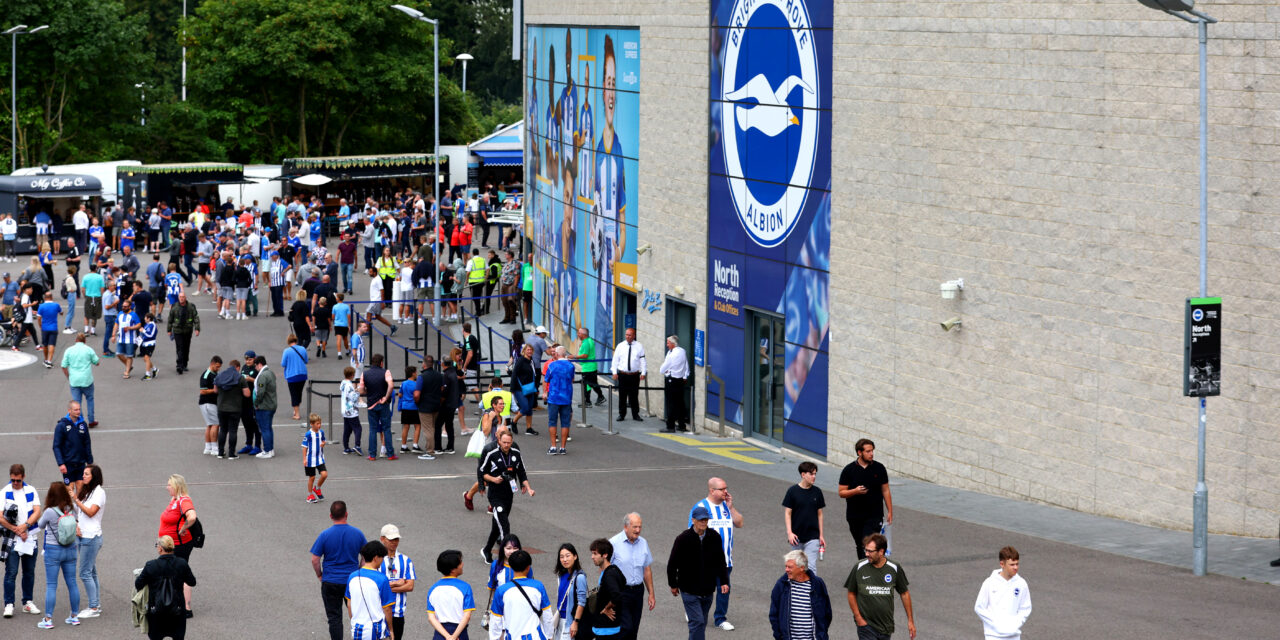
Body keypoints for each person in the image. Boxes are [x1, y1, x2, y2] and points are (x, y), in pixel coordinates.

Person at [667, 505, 730, 640]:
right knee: (698, 622)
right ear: (693, 520)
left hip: (707, 591)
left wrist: (724, 581)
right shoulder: (682, 539)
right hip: (689, 591)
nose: (704, 522)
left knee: (701, 624)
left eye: (706, 520)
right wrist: (673, 584)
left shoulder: (714, 537)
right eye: (701, 520)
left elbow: (720, 561)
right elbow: (672, 564)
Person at [688, 476, 742, 630]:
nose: (726, 491)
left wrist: (731, 507)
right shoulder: (700, 507)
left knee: (724, 589)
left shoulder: (726, 506)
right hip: (705, 561)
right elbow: (691, 533)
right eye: (722, 489)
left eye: (726, 488)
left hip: (725, 560)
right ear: (712, 491)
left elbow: (740, 523)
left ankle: (720, 618)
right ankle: (693, 611)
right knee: (701, 589)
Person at [311, 501, 367, 640]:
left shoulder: (325, 535)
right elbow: (366, 556)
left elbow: (315, 559)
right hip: (352, 580)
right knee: (357, 614)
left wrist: (320, 575)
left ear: (331, 516)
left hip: (330, 580)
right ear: (346, 514)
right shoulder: (357, 534)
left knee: (334, 618)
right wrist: (359, 570)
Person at [479, 431, 534, 564]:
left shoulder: (515, 452)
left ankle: (486, 550)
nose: (506, 445)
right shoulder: (491, 453)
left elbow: (521, 471)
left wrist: (528, 487)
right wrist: (493, 479)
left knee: (496, 526)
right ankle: (507, 558)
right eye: (504, 442)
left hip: (508, 493)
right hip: (495, 494)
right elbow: (482, 472)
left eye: (509, 442)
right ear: (499, 441)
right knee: (504, 525)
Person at [845, 533, 914, 640]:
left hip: (886, 627)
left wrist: (910, 621)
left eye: (870, 551)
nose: (867, 554)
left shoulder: (894, 568)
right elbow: (851, 593)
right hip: (866, 626)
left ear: (881, 552)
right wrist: (858, 617)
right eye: (866, 550)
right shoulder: (859, 567)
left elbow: (904, 593)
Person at [34, 481, 80, 629]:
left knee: (52, 585)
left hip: (53, 550)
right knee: (72, 582)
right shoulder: (72, 509)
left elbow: (40, 525)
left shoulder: (49, 511)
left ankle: (48, 619)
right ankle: (74, 616)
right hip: (71, 549)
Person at [838, 439, 893, 559]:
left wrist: (890, 511)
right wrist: (855, 491)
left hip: (874, 515)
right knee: (860, 544)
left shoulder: (879, 468)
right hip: (855, 516)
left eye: (872, 451)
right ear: (859, 452)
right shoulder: (849, 470)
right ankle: (863, 570)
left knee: (868, 543)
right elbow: (841, 492)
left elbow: (886, 490)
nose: (871, 454)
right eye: (868, 451)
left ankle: (871, 569)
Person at [135, 535, 197, 640]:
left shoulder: (151, 565)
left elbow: (138, 584)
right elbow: (192, 582)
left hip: (156, 609)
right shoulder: (182, 563)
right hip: (177, 609)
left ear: (160, 548)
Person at [2, 464, 41, 619]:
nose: (15, 483)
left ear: (23, 477)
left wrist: (25, 526)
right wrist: (16, 529)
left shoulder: (31, 490)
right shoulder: (5, 492)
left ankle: (27, 602)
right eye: (12, 480)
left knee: (29, 573)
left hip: (29, 537)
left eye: (18, 480)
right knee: (11, 573)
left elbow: (37, 511)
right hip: (13, 539)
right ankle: (9, 604)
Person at [488, 549, 554, 640]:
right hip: (535, 636)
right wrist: (549, 636)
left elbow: (495, 620)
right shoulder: (538, 586)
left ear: (510, 566)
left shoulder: (501, 591)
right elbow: (547, 615)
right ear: (528, 567)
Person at [609, 512, 655, 640]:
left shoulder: (643, 543)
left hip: (637, 592)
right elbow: (605, 570)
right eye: (635, 527)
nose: (638, 530)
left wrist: (651, 593)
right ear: (626, 527)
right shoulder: (613, 543)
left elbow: (646, 569)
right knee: (626, 627)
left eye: (640, 527)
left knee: (634, 629)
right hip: (621, 592)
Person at [158, 474, 199, 617]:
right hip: (171, 543)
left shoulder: (184, 501)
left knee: (180, 572)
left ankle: (186, 608)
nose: (167, 487)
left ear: (176, 486)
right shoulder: (175, 499)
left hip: (180, 545)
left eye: (169, 485)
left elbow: (192, 516)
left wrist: (183, 529)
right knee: (172, 573)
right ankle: (175, 604)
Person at [768, 550, 833, 640]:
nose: (786, 570)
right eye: (786, 566)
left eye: (790, 567)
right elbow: (773, 614)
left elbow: (827, 612)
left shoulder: (818, 584)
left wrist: (822, 633)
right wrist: (779, 636)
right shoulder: (781, 585)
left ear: (802, 568)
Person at [973, 546, 1031, 640]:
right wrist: (996, 625)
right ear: (1002, 564)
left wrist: (1015, 624)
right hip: (994, 636)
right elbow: (979, 607)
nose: (1015, 567)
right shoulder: (989, 583)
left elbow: (1025, 607)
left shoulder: (1021, 584)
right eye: (1012, 565)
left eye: (1017, 564)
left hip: (1014, 636)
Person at [70, 465, 105, 619]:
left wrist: (76, 499)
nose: (83, 476)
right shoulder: (86, 491)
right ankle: (95, 604)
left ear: (94, 476)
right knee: (91, 572)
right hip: (83, 535)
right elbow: (80, 514)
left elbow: (91, 512)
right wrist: (77, 525)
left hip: (91, 537)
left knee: (84, 573)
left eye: (86, 474)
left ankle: (93, 607)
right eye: (83, 473)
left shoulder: (99, 493)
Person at [345, 540, 395, 640]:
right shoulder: (381, 579)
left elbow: (349, 605)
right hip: (375, 630)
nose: (382, 561)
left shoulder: (352, 577)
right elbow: (387, 609)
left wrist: (354, 621)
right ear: (376, 558)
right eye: (382, 558)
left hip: (356, 629)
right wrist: (391, 630)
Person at [784, 462, 827, 574]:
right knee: (795, 565)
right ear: (803, 475)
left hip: (813, 537)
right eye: (811, 474)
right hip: (796, 537)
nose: (814, 477)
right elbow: (788, 513)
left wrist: (821, 535)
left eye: (815, 474)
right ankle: (795, 588)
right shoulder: (792, 491)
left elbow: (820, 514)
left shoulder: (817, 492)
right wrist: (789, 533)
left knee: (811, 566)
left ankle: (812, 590)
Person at [378, 524, 416, 640]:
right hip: (379, 611)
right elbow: (375, 586)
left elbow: (410, 586)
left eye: (397, 539)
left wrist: (386, 588)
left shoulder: (406, 560)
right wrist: (396, 583)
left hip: (398, 613)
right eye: (391, 539)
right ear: (382, 539)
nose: (394, 542)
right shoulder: (376, 560)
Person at [426, 549, 474, 640]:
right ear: (453, 569)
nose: (462, 564)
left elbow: (431, 618)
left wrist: (447, 636)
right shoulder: (465, 587)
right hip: (460, 634)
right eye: (460, 563)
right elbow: (467, 616)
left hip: (439, 634)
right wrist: (454, 637)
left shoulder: (433, 589)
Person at [587, 538, 625, 638]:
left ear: (605, 555)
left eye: (595, 553)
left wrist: (607, 608)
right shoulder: (614, 570)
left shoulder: (609, 575)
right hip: (612, 627)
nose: (592, 557)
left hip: (605, 629)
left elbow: (616, 596)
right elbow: (623, 583)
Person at [361, 353, 396, 460]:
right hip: (383, 403)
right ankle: (390, 454)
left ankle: (372, 454)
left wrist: (368, 393)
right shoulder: (386, 372)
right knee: (386, 428)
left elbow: (361, 390)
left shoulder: (365, 374)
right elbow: (391, 385)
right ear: (381, 363)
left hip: (371, 404)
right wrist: (386, 397)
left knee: (372, 429)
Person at [60, 333, 100, 427]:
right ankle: (91, 420)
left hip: (74, 380)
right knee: (90, 399)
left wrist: (68, 377)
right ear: (84, 341)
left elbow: (63, 366)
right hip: (87, 379)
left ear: (76, 340)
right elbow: (97, 362)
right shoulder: (88, 349)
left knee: (77, 402)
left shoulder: (69, 350)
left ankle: (80, 421)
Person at [52, 401, 92, 492]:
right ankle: (70, 506)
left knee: (81, 489)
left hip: (81, 463)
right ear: (69, 410)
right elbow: (56, 446)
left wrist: (89, 461)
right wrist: (61, 463)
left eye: (79, 409)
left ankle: (79, 506)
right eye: (76, 410)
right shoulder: (61, 426)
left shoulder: (83, 425)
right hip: (68, 464)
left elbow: (87, 443)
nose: (78, 412)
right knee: (69, 490)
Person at [213, 358, 249, 458]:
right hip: (235, 408)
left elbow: (215, 390)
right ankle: (231, 454)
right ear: (237, 367)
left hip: (221, 408)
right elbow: (247, 394)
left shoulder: (219, 375)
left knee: (223, 430)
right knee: (233, 431)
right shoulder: (240, 377)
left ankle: (220, 452)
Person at [554, 543, 589, 640]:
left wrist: (575, 622)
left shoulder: (580, 577)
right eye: (561, 557)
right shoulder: (561, 576)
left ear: (575, 556)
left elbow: (582, 602)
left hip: (570, 621)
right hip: (559, 621)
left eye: (567, 556)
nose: (564, 560)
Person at [544, 345, 575, 455]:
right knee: (565, 423)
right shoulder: (571, 366)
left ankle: (553, 446)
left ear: (556, 354)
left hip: (554, 397)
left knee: (552, 421)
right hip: (566, 397)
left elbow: (546, 379)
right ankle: (563, 447)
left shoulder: (552, 365)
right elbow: (572, 378)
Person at [611, 327, 646, 421]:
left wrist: (643, 372)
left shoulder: (639, 346)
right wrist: (614, 372)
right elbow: (615, 360)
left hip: (634, 375)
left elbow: (642, 360)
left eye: (630, 335)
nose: (627, 336)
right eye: (626, 334)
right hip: (623, 375)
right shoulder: (620, 346)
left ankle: (635, 414)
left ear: (634, 336)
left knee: (634, 395)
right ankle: (621, 414)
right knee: (622, 395)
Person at [660, 335, 690, 432]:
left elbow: (663, 369)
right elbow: (686, 365)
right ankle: (682, 425)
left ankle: (670, 426)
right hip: (680, 380)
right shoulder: (682, 351)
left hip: (671, 380)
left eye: (668, 343)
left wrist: (663, 370)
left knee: (671, 403)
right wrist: (685, 376)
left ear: (673, 344)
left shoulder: (672, 355)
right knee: (680, 403)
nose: (667, 344)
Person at [569, 327, 605, 406]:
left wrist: (574, 356)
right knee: (591, 384)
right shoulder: (589, 340)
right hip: (590, 367)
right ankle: (593, 399)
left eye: (579, 333)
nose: (577, 334)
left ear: (583, 334)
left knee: (588, 384)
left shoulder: (586, 343)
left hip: (588, 367)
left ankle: (592, 400)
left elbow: (585, 355)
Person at [252, 355, 278, 458]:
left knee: (264, 429)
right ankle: (270, 449)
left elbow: (261, 392)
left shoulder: (263, 376)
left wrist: (256, 403)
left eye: (255, 366)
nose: (255, 368)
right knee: (268, 428)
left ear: (259, 364)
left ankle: (267, 450)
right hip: (271, 404)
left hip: (264, 406)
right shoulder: (270, 373)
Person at [282, 334, 310, 421]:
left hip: (291, 375)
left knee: (293, 394)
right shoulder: (302, 349)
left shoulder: (286, 351)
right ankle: (296, 409)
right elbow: (306, 360)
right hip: (302, 374)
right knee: (299, 392)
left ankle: (297, 414)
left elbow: (283, 364)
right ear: (296, 340)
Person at [304, 413, 329, 504]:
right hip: (310, 459)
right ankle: (310, 494)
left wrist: (323, 443)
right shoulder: (308, 434)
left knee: (324, 474)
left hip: (319, 458)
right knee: (312, 477)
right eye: (317, 424)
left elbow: (323, 440)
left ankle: (317, 488)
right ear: (312, 424)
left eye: (320, 423)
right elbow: (304, 447)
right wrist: (304, 459)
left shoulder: (321, 432)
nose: (319, 425)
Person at [340, 366, 365, 456]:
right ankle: (357, 445)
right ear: (351, 375)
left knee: (347, 429)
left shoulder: (343, 383)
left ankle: (346, 447)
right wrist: (358, 391)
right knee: (358, 428)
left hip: (344, 409)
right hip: (351, 410)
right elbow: (353, 398)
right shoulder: (349, 385)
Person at [397, 366, 422, 454]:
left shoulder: (404, 383)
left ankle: (404, 446)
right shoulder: (416, 384)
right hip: (414, 407)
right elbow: (418, 395)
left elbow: (400, 394)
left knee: (406, 426)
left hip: (405, 407)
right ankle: (415, 445)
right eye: (416, 372)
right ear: (413, 373)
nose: (416, 374)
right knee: (417, 426)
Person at [115, 298, 142, 378]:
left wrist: (130, 328)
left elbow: (139, 325)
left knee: (129, 356)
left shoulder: (133, 315)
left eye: (125, 306)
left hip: (130, 339)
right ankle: (129, 365)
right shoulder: (120, 313)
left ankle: (127, 372)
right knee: (119, 354)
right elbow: (116, 324)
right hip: (120, 338)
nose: (123, 308)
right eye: (123, 306)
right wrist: (113, 335)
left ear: (130, 307)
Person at [34, 291, 62, 367]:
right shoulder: (56, 305)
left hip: (45, 328)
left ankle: (46, 359)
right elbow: (61, 312)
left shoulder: (41, 306)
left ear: (44, 298)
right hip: (54, 328)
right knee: (52, 344)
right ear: (52, 297)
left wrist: (40, 326)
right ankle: (49, 361)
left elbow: (39, 318)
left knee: (45, 345)